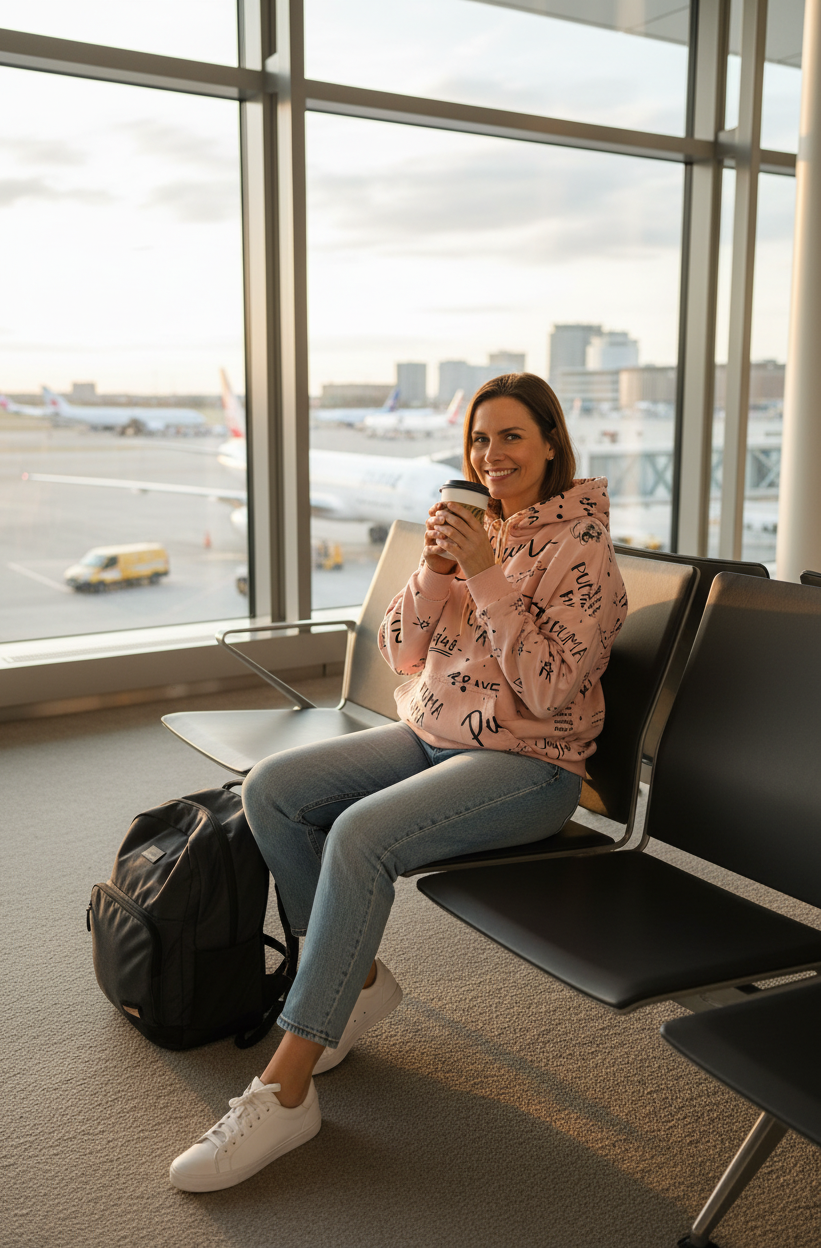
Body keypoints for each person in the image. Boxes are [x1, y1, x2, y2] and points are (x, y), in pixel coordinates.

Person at [169, 372, 628, 1192]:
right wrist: (439, 572)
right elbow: (400, 656)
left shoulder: (582, 548)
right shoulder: (478, 527)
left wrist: (487, 574)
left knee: (359, 836)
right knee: (271, 789)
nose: (492, 455)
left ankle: (285, 1087)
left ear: (552, 442)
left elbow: (550, 689)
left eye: (512, 436)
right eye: (480, 439)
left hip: (529, 765)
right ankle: (357, 983)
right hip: (429, 735)